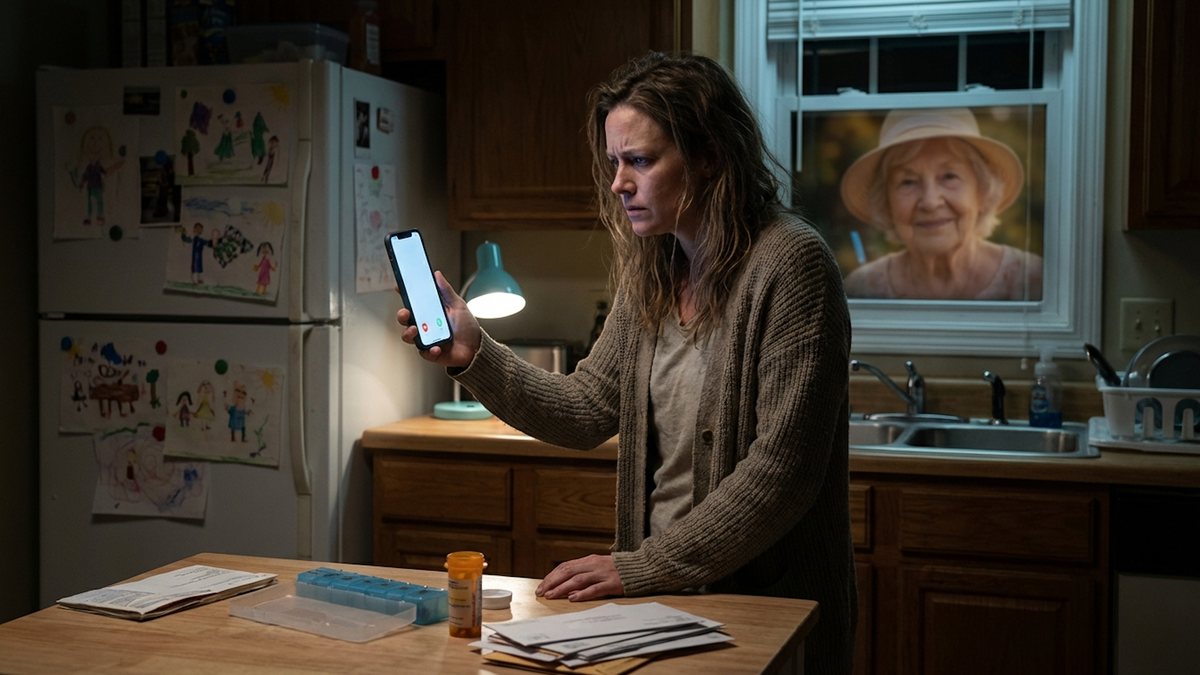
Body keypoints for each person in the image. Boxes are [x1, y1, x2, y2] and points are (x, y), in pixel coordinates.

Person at [396, 52, 855, 674]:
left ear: (709, 155)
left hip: (763, 607)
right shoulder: (656, 270)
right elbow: (585, 408)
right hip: (663, 603)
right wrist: (475, 353)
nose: (619, 183)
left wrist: (640, 566)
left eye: (639, 160)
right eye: (615, 162)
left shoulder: (792, 264)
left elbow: (781, 472)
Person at [839, 107, 1043, 300]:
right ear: (886, 203)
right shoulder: (861, 289)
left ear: (982, 192)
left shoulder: (1033, 281)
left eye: (949, 176)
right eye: (908, 182)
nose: (930, 202)